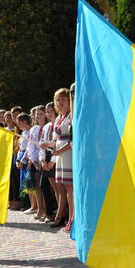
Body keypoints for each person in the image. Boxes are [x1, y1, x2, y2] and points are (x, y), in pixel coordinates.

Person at [52, 88, 74, 232]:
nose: (60, 102)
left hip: (68, 153)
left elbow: (72, 139)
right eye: (58, 99)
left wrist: (60, 150)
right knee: (65, 187)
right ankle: (71, 216)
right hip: (60, 154)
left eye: (63, 99)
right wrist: (47, 145)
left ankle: (73, 219)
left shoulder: (71, 116)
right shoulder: (59, 117)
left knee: (71, 187)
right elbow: (55, 140)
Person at [38, 103, 59, 223]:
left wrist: (52, 161)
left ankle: (60, 213)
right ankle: (50, 213)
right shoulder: (46, 127)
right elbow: (42, 144)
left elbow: (57, 143)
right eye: (47, 111)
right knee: (50, 187)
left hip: (55, 156)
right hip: (46, 158)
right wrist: (42, 160)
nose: (49, 113)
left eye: (51, 111)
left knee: (59, 188)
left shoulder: (58, 124)